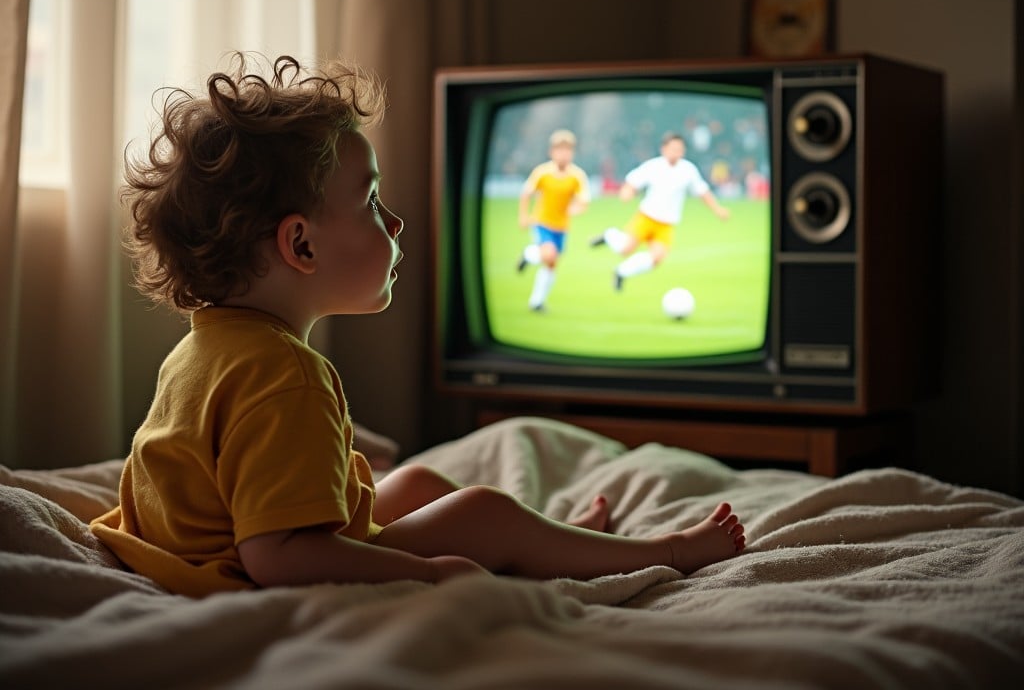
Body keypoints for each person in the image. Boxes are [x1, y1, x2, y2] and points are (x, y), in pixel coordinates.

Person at [90, 54, 745, 598]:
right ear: (303, 246)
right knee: (482, 513)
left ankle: (554, 540)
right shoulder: (286, 374)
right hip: (227, 573)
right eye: (372, 202)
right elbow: (276, 557)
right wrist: (428, 570)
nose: (396, 224)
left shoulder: (206, 343)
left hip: (208, 546)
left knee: (418, 487)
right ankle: (660, 549)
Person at [591, 132, 730, 290]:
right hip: (647, 217)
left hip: (667, 223)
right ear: (663, 149)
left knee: (657, 258)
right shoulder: (653, 166)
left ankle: (621, 272)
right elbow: (633, 181)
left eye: (679, 149)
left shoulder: (688, 170)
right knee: (625, 249)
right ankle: (609, 235)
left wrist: (718, 209)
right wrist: (627, 192)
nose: (676, 153)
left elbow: (702, 192)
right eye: (672, 149)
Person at [516, 129, 590, 311]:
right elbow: (526, 193)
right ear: (552, 152)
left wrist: (575, 208)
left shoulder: (577, 175)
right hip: (542, 222)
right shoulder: (542, 172)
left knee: (551, 263)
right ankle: (529, 254)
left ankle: (537, 301)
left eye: (567, 150)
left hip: (562, 226)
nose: (563, 154)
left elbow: (584, 202)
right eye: (559, 150)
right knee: (549, 254)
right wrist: (524, 216)